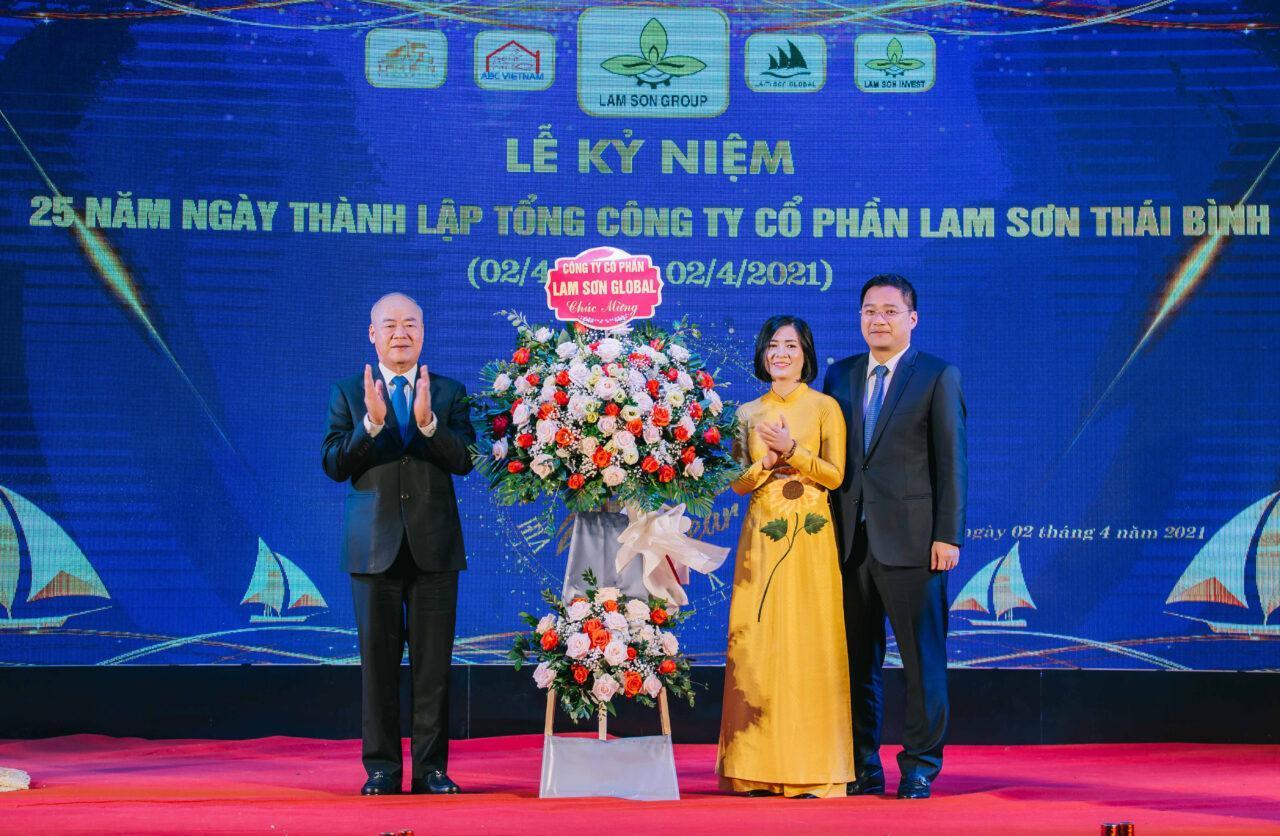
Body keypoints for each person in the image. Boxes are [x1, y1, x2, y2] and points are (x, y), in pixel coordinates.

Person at [322, 292, 476, 796]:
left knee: (433, 669)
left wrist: (429, 424)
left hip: (435, 548)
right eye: (389, 325)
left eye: (410, 324)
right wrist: (369, 425)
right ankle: (382, 770)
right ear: (373, 334)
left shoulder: (449, 392)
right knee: (378, 668)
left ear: (423, 332)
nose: (400, 333)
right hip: (373, 548)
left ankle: (432, 769)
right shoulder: (349, 393)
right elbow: (334, 464)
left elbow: (465, 460)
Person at [823, 275, 967, 800]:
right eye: (869, 310)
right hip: (849, 544)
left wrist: (948, 535)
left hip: (915, 543)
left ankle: (920, 766)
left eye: (889, 310)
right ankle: (862, 766)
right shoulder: (839, 375)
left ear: (912, 318)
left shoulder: (937, 375)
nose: (878, 319)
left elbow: (952, 461)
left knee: (921, 662)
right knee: (856, 664)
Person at [716, 315, 855, 799]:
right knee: (757, 639)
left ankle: (814, 770)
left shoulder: (824, 407)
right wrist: (767, 461)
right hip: (761, 535)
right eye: (773, 345)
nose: (781, 353)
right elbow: (737, 483)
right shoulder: (746, 412)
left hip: (811, 534)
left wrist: (793, 450)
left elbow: (836, 476)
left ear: (806, 354)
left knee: (810, 639)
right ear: (762, 353)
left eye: (791, 346)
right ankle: (752, 769)